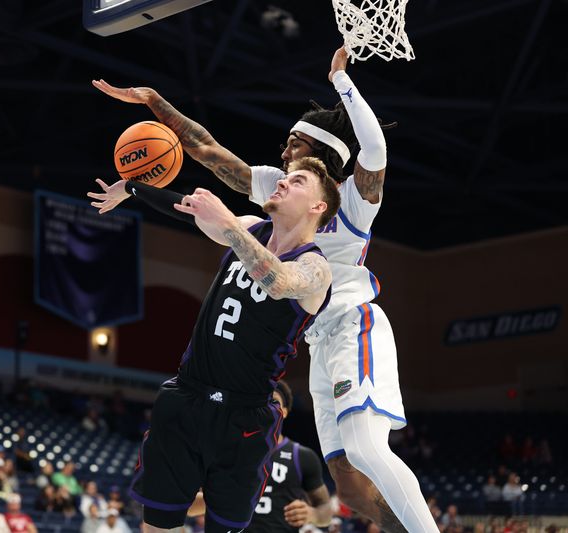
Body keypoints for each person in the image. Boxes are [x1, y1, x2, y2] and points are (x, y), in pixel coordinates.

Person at [92, 45, 438, 532]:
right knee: (348, 480)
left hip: (351, 323)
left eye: (293, 144)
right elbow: (207, 151)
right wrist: (154, 103)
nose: (282, 153)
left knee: (364, 447)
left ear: (317, 165)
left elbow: (374, 151)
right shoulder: (277, 197)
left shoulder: (351, 202)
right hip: (316, 340)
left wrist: (341, 79)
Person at [89, 159, 336, 529]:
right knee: (156, 523)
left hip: (245, 417)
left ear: (319, 207)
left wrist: (229, 226)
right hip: (187, 396)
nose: (283, 183)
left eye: (297, 181)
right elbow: (189, 211)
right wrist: (131, 188)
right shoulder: (253, 227)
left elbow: (279, 282)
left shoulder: (315, 268)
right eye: (284, 177)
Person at [187, 380, 332, 531]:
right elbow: (190, 507)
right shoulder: (224, 452)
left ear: (285, 411)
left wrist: (313, 514)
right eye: (263, 401)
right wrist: (222, 500)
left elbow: (326, 509)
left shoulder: (302, 456)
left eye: (274, 401)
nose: (268, 407)